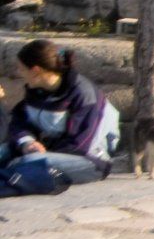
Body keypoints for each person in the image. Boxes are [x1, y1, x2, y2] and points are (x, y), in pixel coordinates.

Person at [2, 40, 119, 197]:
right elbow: (19, 121)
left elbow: (80, 144)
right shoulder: (37, 90)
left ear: (35, 71)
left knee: (26, 162)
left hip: (88, 160)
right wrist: (27, 142)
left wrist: (40, 150)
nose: (19, 73)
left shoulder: (83, 94)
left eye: (21, 69)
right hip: (46, 150)